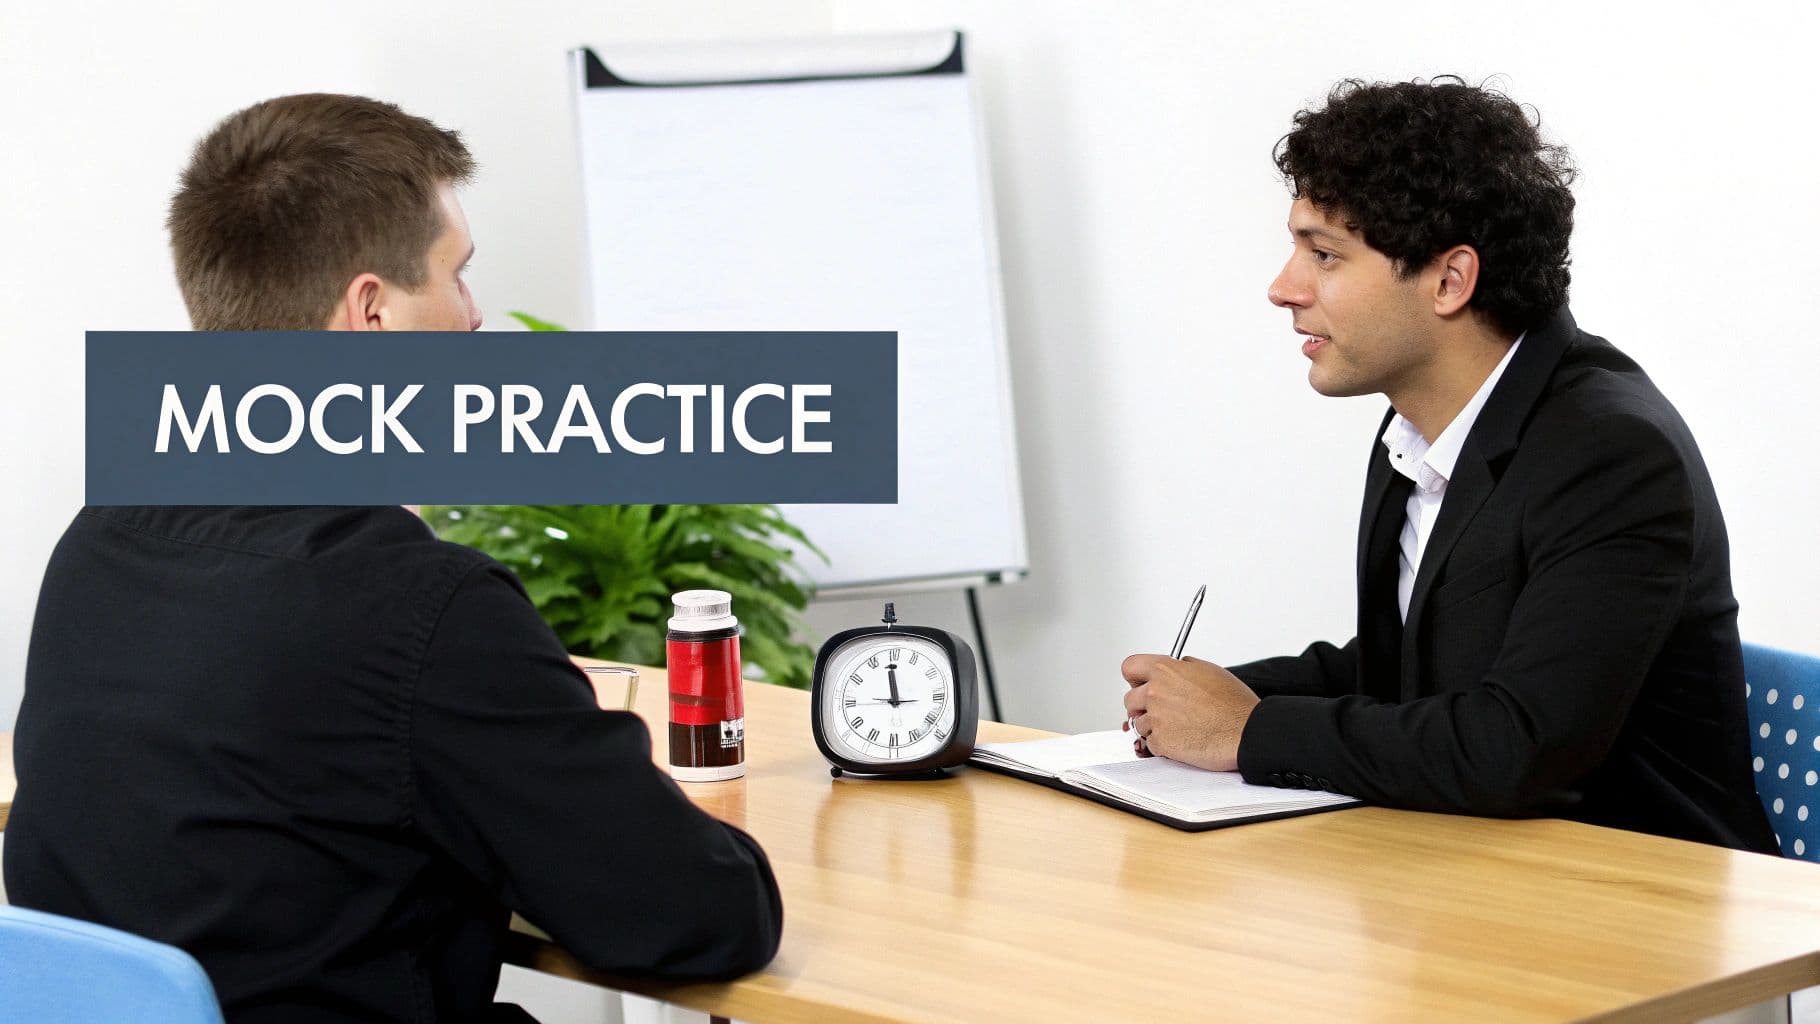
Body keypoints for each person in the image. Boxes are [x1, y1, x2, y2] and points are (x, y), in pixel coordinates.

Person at [5, 94, 783, 1022]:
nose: (475, 315)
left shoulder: (104, 538)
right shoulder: (419, 607)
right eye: (457, 278)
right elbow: (695, 915)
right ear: (372, 311)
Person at [1120, 77, 1777, 853]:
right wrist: (1216, 697)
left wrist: (1250, 729)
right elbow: (1412, 665)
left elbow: (1516, 748)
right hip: (1473, 877)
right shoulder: (1415, 428)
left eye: (1324, 254)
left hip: (1642, 908)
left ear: (1449, 280)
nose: (1283, 288)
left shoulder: (1613, 453)